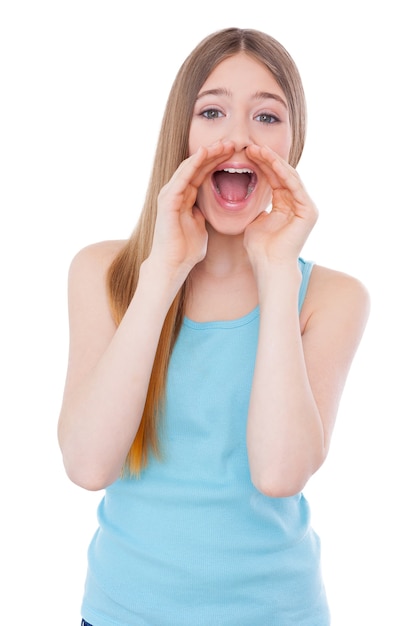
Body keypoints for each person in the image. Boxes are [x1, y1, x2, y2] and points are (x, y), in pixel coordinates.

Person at [58, 27, 370, 626]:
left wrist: (276, 272)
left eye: (267, 117)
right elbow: (87, 466)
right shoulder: (103, 272)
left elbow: (279, 474)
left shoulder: (331, 298)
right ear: (183, 133)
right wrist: (163, 274)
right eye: (213, 110)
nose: (238, 138)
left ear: (292, 143)